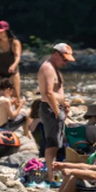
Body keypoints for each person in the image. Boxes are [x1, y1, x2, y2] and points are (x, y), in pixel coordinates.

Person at [38, 43, 76, 184]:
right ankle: (50, 176)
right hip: (50, 108)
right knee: (52, 143)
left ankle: (54, 174)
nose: (65, 62)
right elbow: (48, 92)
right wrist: (56, 111)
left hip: (56, 108)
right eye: (64, 59)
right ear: (56, 54)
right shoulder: (47, 68)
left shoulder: (54, 68)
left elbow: (57, 91)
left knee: (58, 143)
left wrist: (64, 104)